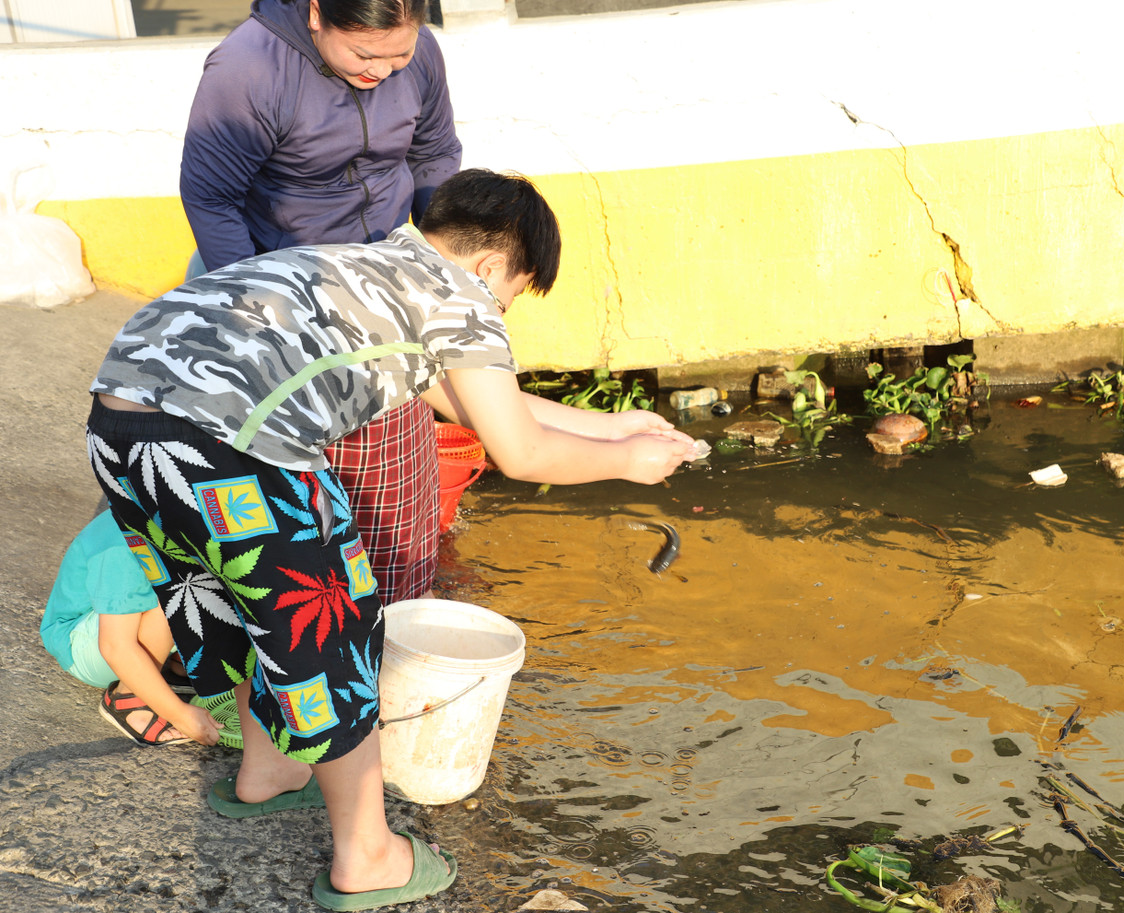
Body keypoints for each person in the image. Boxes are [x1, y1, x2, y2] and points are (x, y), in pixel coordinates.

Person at [88, 169, 693, 910]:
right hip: (230, 446)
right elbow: (522, 452)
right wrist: (628, 464)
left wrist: (612, 426)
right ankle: (368, 856)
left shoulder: (368, 265)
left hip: (122, 428)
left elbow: (469, 402)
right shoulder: (462, 298)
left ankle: (269, 771)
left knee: (238, 602)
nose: (500, 313)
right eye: (510, 298)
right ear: (490, 267)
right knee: (332, 622)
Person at [180, 0, 463, 609]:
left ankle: (384, 611)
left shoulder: (419, 56)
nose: (382, 71)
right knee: (260, 483)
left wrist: (440, 265)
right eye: (364, 54)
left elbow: (434, 154)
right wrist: (263, 310)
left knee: (384, 474)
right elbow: (211, 198)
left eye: (399, 54)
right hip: (266, 280)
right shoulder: (249, 69)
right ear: (316, 14)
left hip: (374, 283)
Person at [40, 510, 240, 748]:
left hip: (121, 629)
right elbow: (115, 647)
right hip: (85, 646)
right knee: (178, 592)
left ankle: (178, 664)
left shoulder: (173, 514)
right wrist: (179, 714)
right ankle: (128, 697)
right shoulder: (121, 544)